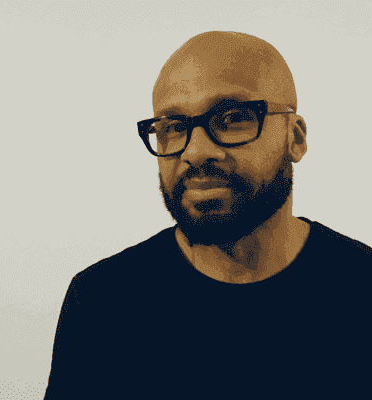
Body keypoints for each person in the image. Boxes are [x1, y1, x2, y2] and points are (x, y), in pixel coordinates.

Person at [44, 31, 371, 399]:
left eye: (233, 118)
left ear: (294, 138)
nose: (196, 151)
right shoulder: (102, 303)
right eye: (173, 127)